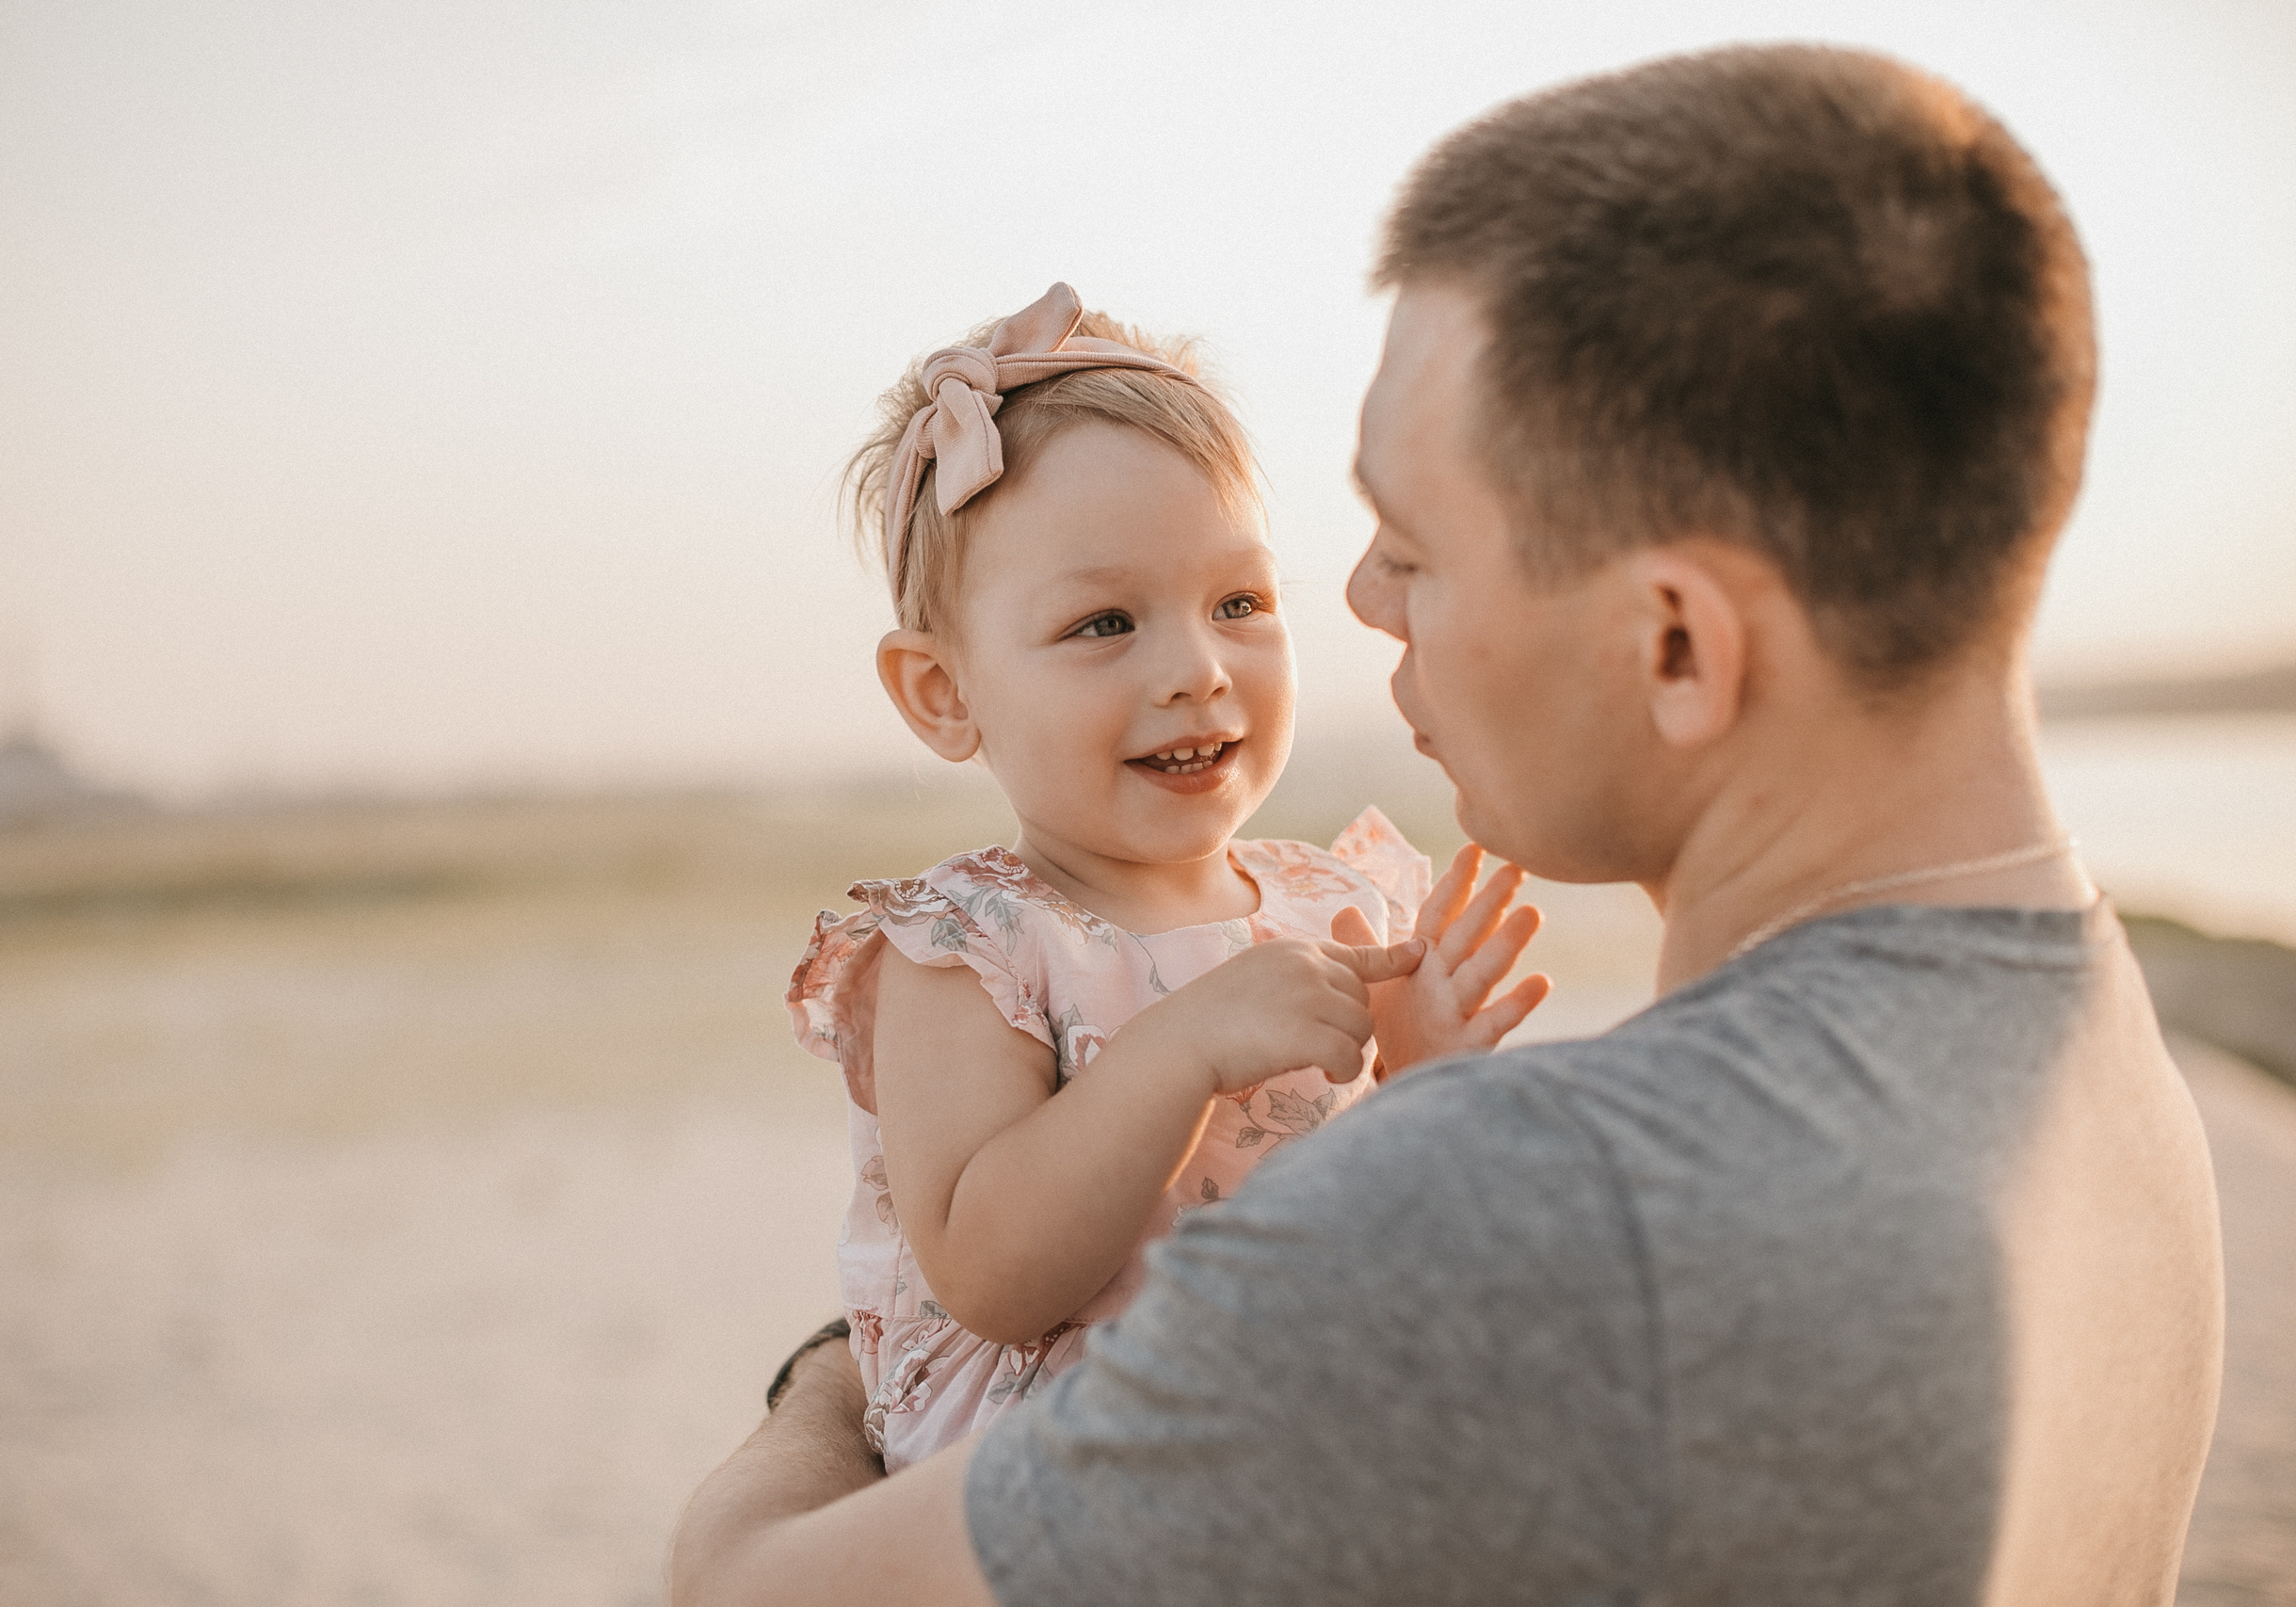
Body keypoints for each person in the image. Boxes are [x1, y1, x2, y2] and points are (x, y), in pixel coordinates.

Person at [671, 42, 2225, 1606]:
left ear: (1675, 642)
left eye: (1413, 547)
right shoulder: (2102, 1047)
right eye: (1104, 623)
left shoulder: (1519, 1212)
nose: (1358, 603)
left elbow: (742, 1588)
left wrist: (829, 1390)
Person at [783, 283, 1552, 1470]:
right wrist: (1182, 1048)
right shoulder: (973, 948)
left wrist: (1417, 1092)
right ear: (946, 693)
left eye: (1238, 602)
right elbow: (993, 1277)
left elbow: (1358, 1239)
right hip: (1053, 1484)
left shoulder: (1317, 906)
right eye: (1104, 624)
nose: (1197, 669)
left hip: (1288, 1441)